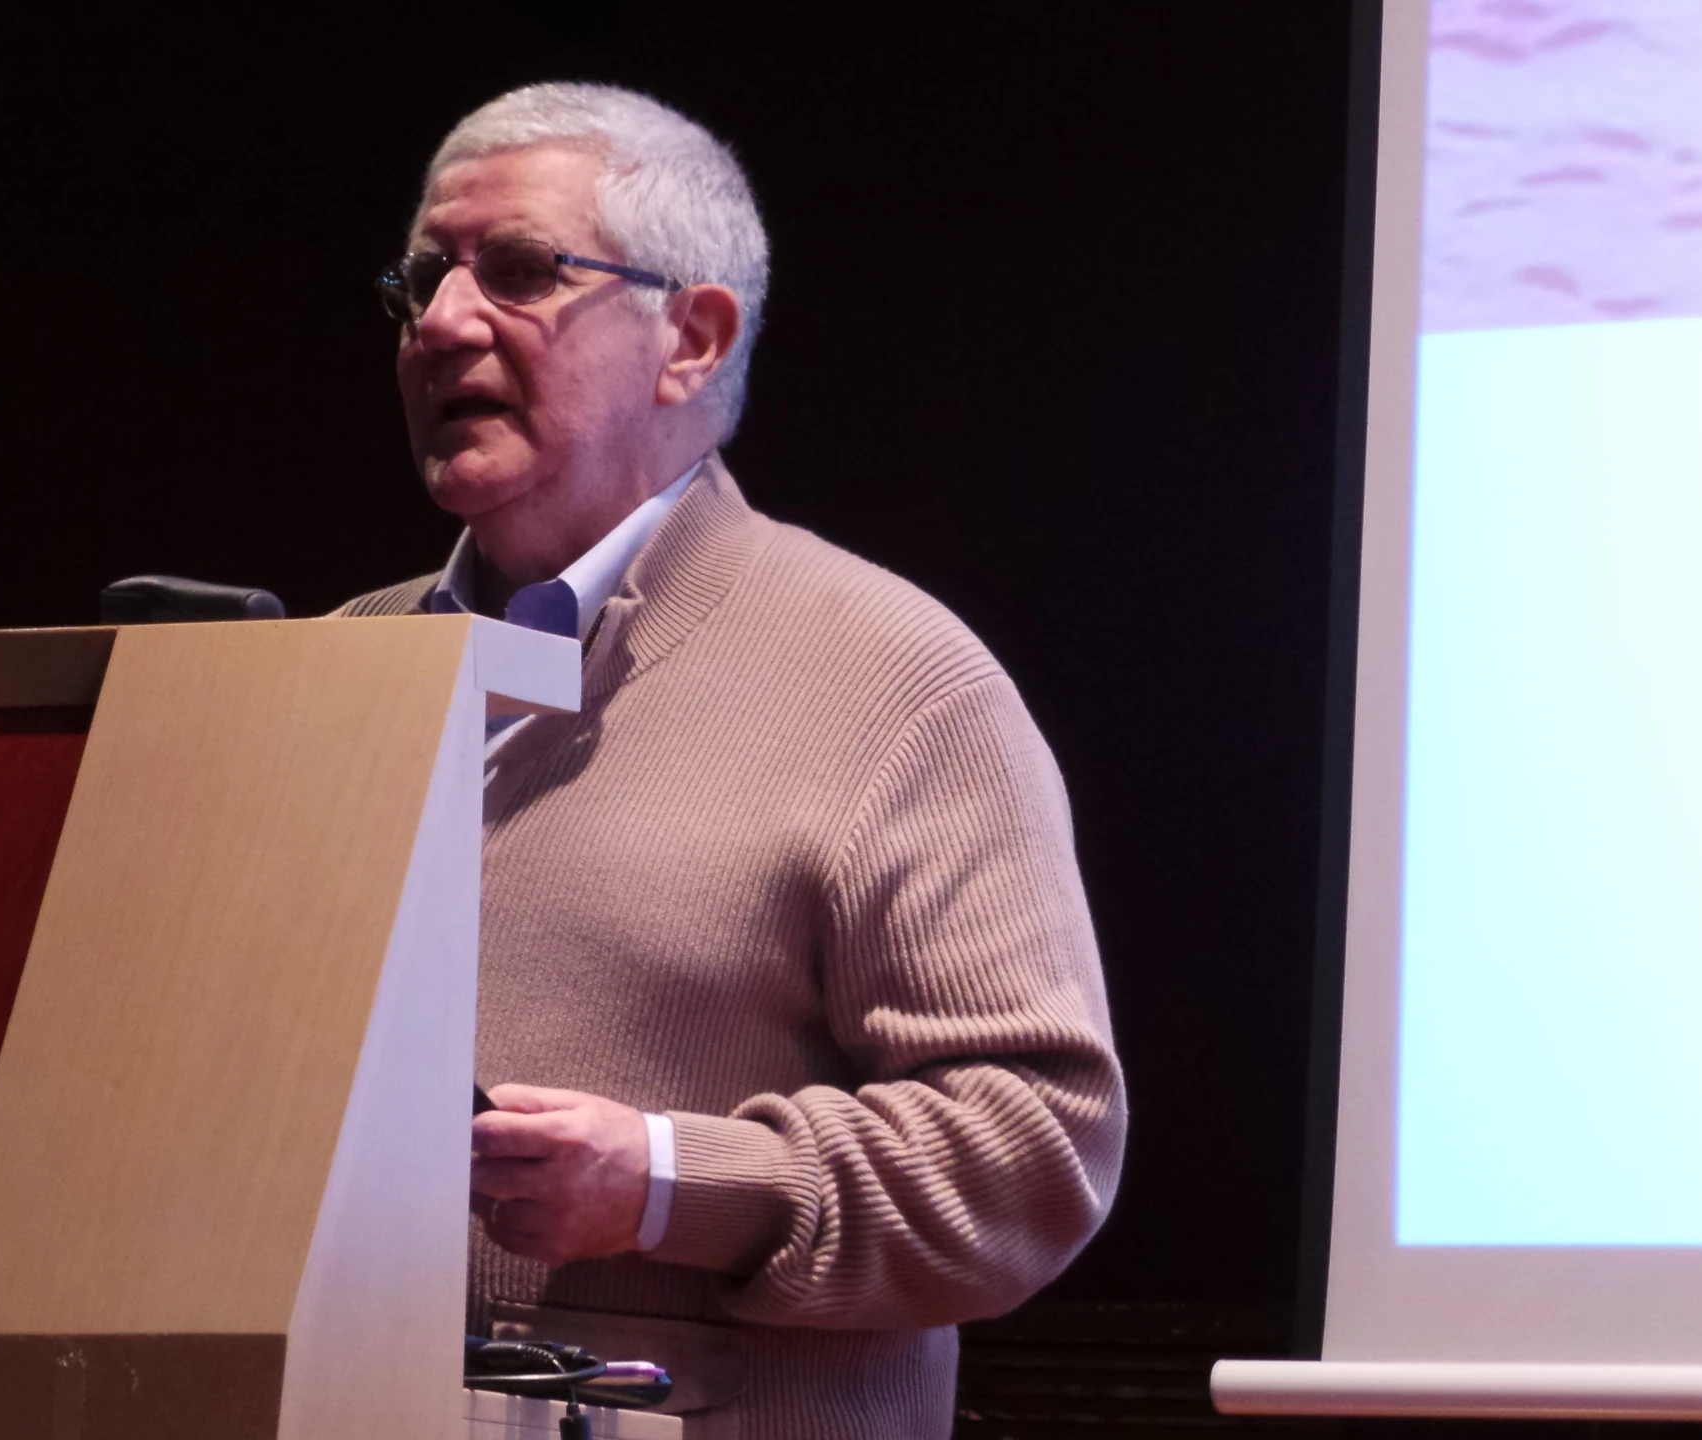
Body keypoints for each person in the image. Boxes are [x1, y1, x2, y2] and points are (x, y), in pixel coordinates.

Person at [338, 83, 1126, 1440]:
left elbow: (1037, 1152)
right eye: (423, 279)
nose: (443, 323)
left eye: (518, 273)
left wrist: (663, 1181)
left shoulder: (890, 678)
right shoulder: (334, 669)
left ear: (691, 339)